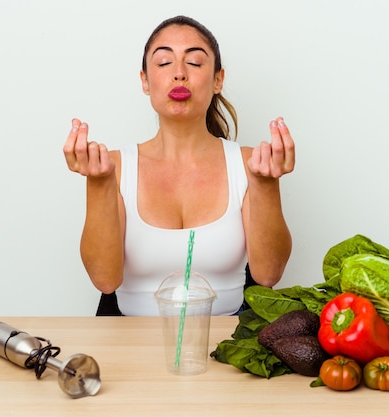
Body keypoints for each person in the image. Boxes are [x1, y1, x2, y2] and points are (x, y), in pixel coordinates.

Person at [63, 15, 294, 316]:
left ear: (217, 80)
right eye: (163, 63)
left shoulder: (250, 164)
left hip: (226, 347)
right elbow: (105, 280)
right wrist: (99, 183)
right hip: (129, 345)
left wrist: (266, 183)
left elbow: (269, 274)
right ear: (145, 81)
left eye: (195, 63)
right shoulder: (114, 167)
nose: (180, 73)